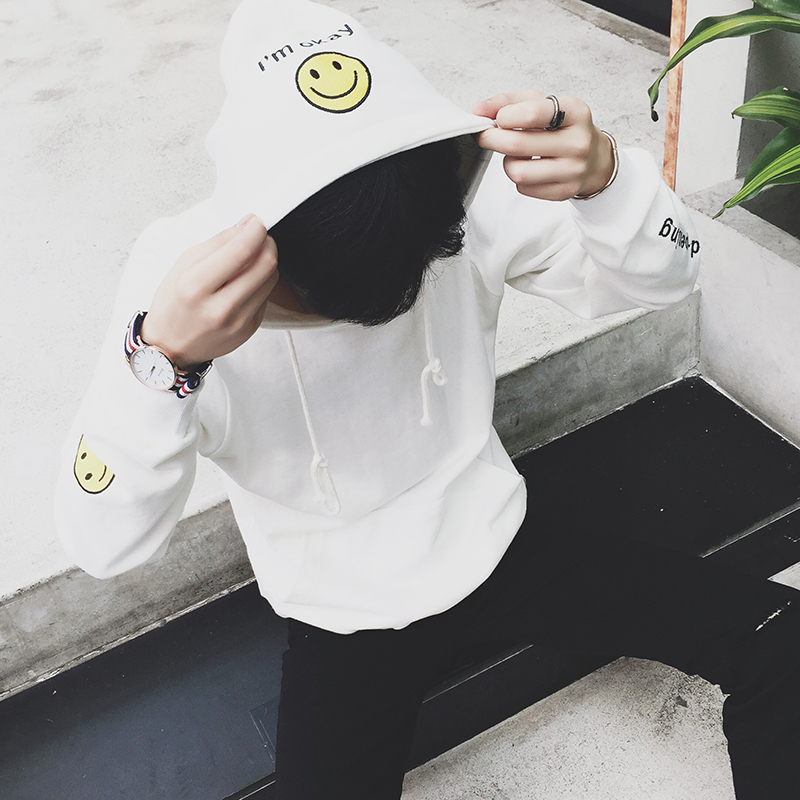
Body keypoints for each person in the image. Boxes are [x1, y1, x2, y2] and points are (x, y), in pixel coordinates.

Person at [55, 1, 800, 798]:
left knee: (780, 638)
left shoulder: (437, 193)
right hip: (341, 617)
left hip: (496, 543)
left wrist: (609, 180)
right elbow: (103, 543)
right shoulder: (180, 283)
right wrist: (161, 362)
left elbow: (670, 276)